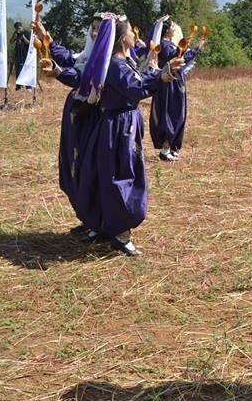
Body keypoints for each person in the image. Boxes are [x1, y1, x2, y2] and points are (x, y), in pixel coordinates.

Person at [73, 15, 183, 256]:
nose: (135, 35)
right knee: (122, 175)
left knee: (118, 173)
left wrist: (162, 72)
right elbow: (136, 89)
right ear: (123, 39)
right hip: (119, 127)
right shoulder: (116, 65)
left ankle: (109, 226)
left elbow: (140, 80)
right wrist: (163, 75)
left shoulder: (123, 62)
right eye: (132, 32)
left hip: (123, 124)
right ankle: (120, 233)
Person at [34, 15, 102, 238]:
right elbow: (69, 58)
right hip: (75, 119)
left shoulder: (105, 61)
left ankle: (97, 221)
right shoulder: (87, 55)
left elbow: (81, 79)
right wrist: (46, 38)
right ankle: (87, 217)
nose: (94, 33)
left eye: (100, 30)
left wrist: (58, 72)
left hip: (91, 120)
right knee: (75, 165)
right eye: (92, 28)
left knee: (90, 167)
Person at [149, 18, 205, 161]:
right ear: (167, 30)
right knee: (171, 112)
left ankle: (172, 146)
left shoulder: (169, 44)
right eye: (173, 25)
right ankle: (165, 147)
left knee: (177, 112)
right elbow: (182, 59)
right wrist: (198, 47)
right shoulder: (164, 45)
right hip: (170, 85)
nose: (175, 27)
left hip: (175, 83)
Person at [9, 22, 31, 90]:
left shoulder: (27, 32)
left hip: (25, 54)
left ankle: (28, 86)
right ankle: (19, 86)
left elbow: (29, 43)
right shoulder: (16, 33)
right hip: (18, 54)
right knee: (18, 70)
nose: (18, 30)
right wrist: (14, 36)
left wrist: (23, 37)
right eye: (16, 29)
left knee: (26, 70)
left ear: (21, 27)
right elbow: (11, 42)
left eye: (19, 28)